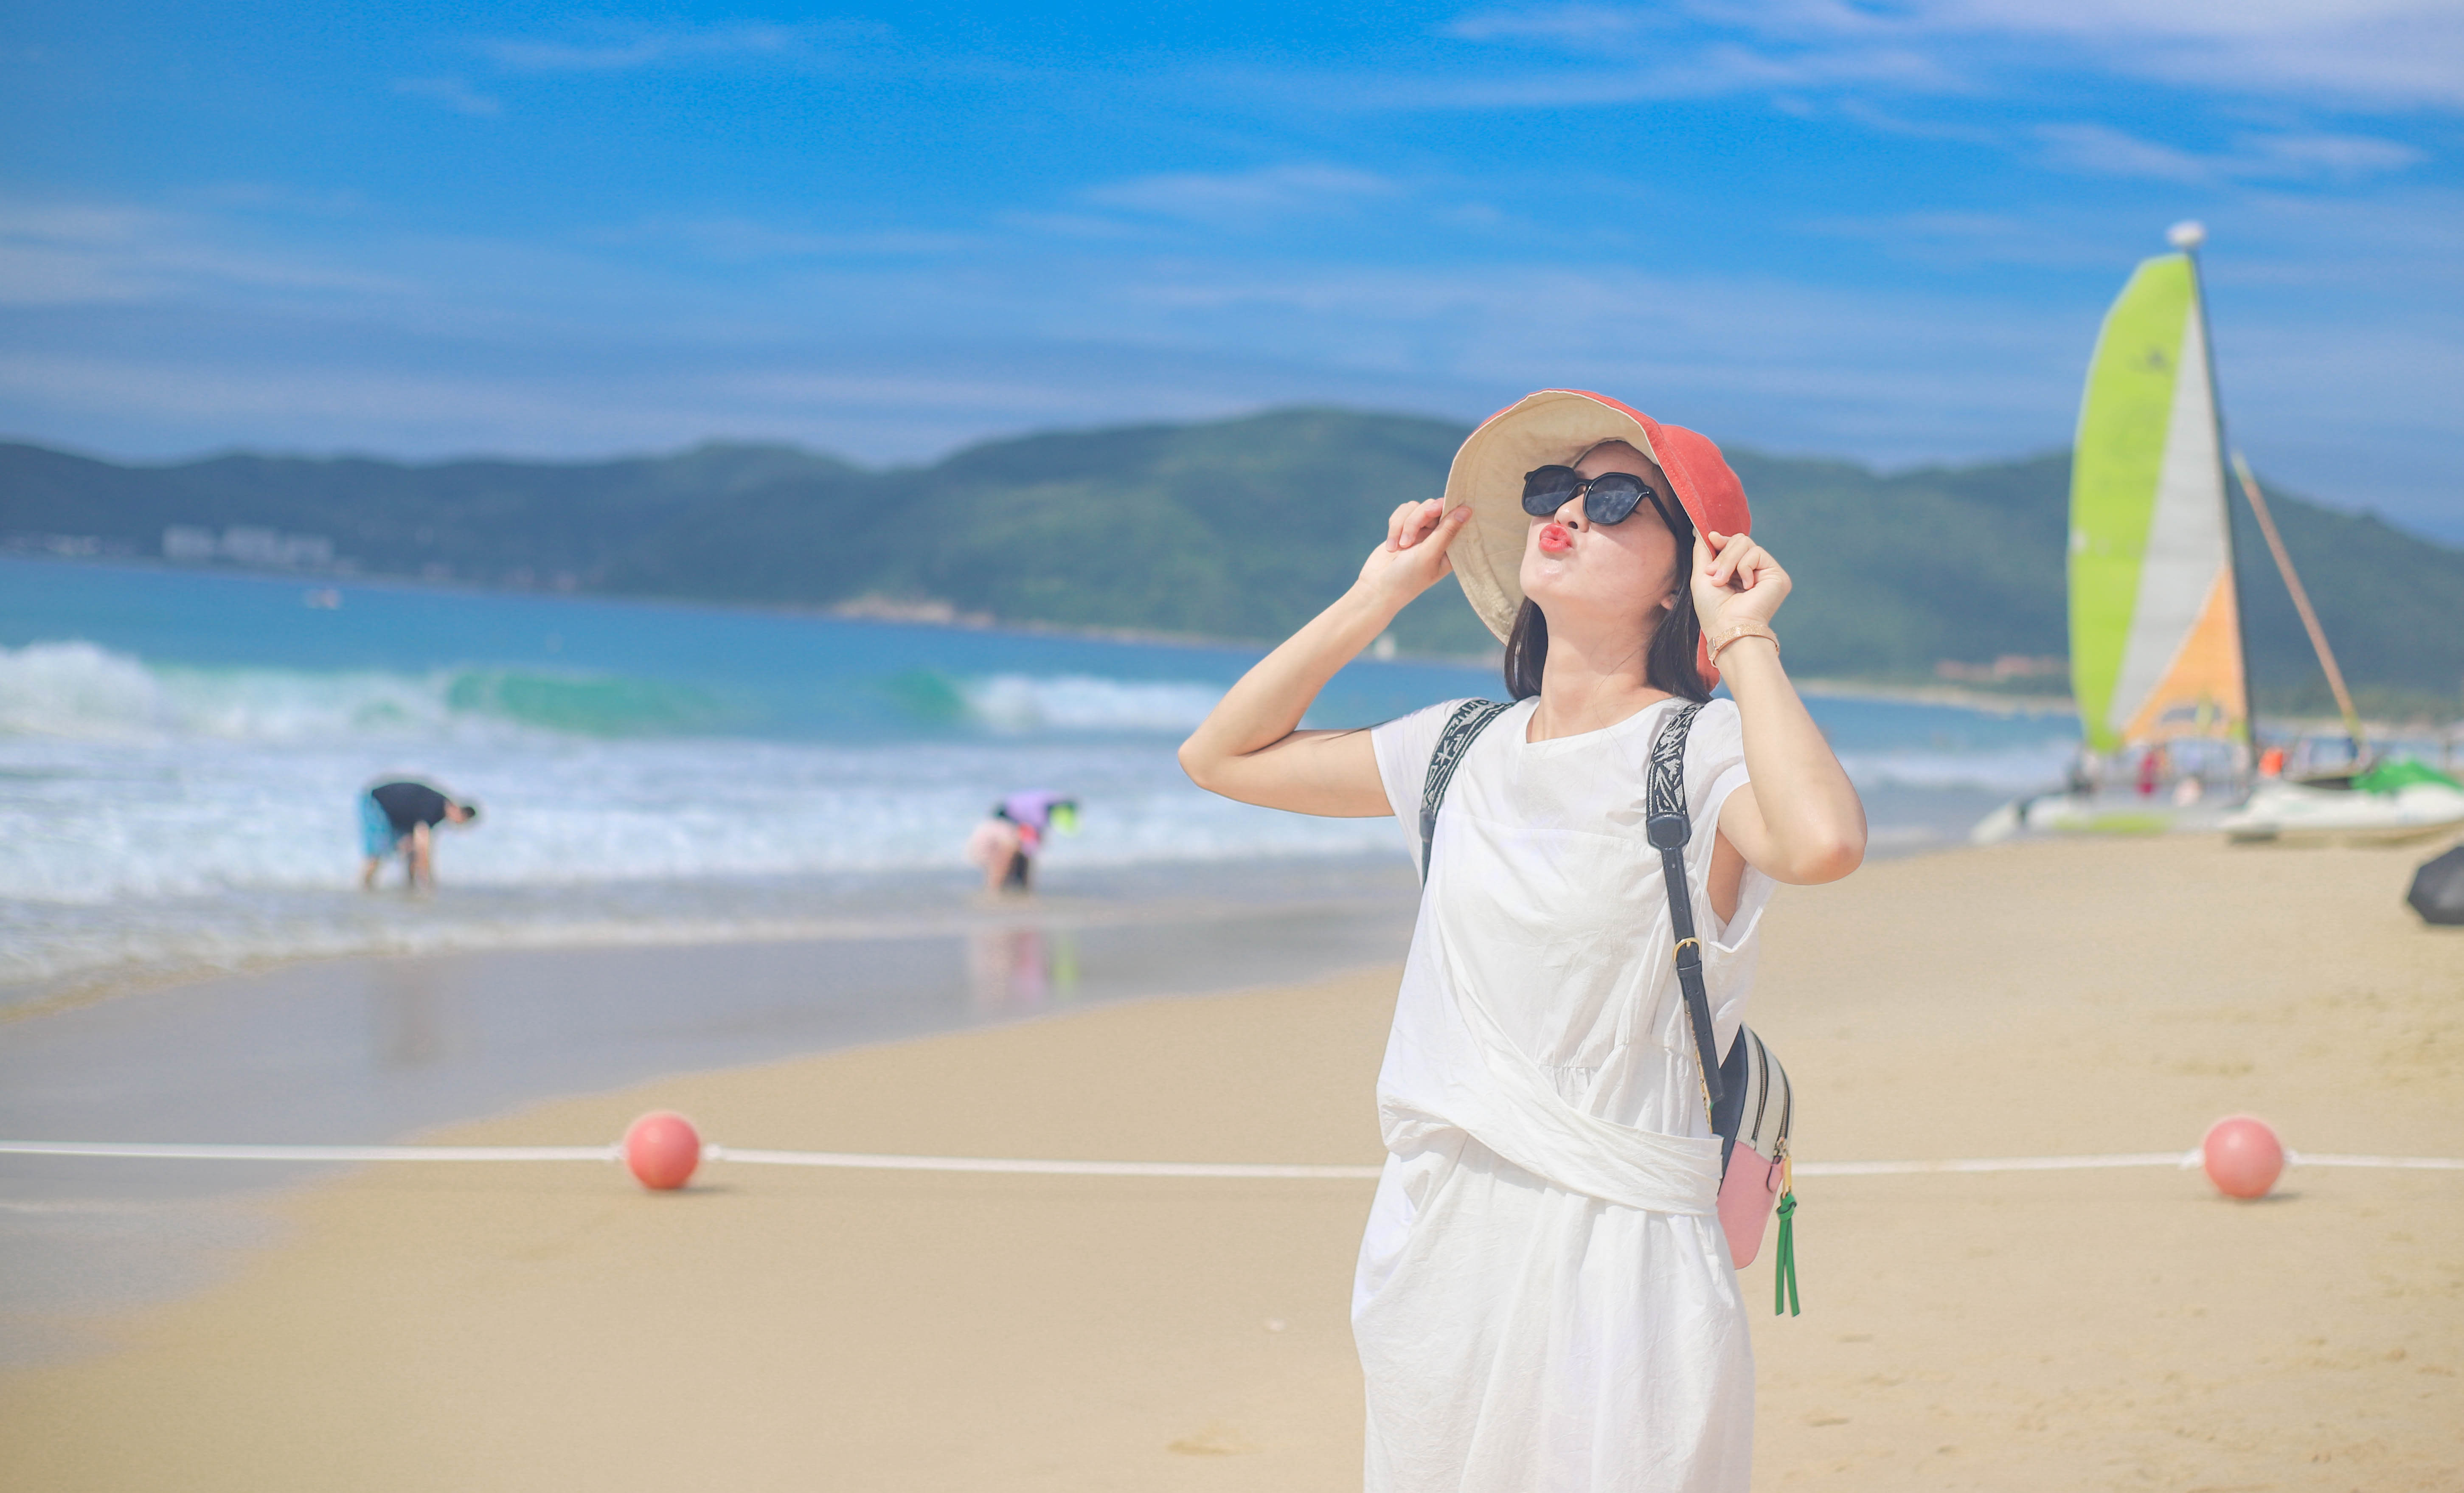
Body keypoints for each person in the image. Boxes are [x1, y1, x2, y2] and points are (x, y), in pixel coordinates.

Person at [1177, 391, 1866, 1491]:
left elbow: (1823, 840)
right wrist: (1376, 594)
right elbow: (1219, 754)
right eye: (1552, 495)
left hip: (1626, 1258)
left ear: (1677, 570)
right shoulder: (1455, 747)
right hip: (1435, 1248)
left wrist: (1741, 636)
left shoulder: (1698, 750)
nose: (1564, 516)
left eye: (1611, 501)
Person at [359, 779, 480, 891]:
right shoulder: (435, 807)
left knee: (410, 850)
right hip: (376, 803)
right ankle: (365, 887)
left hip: (399, 815)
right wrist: (429, 882)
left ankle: (410, 887)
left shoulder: (439, 811)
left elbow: (417, 844)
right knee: (379, 850)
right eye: (461, 822)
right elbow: (423, 848)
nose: (457, 826)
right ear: (459, 813)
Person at [963, 792, 1078, 894]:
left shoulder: (1044, 803)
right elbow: (1035, 830)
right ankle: (997, 890)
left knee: (1019, 856)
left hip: (1008, 826)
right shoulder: (1041, 808)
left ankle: (1014, 889)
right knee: (1007, 858)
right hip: (1004, 828)